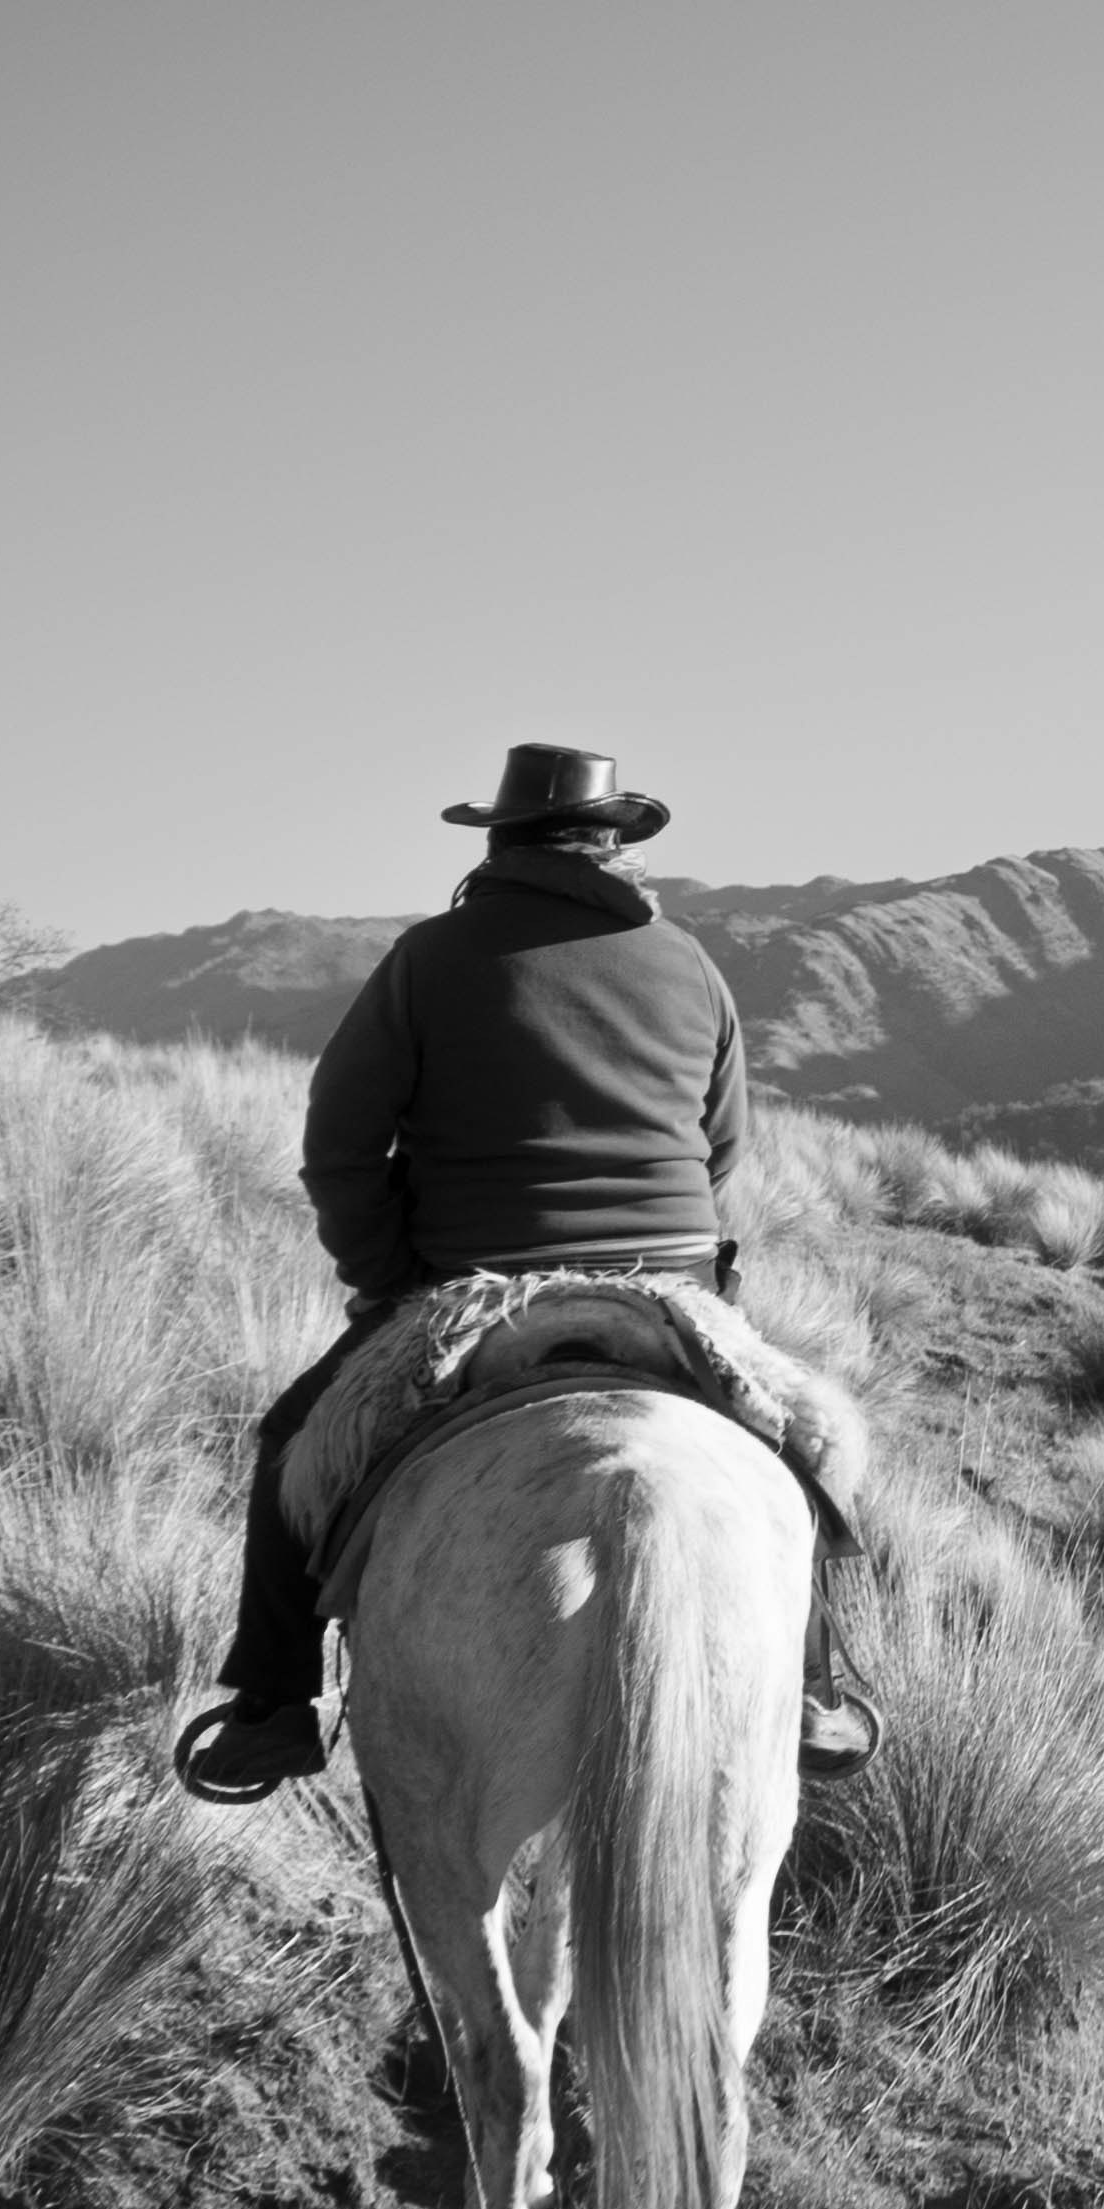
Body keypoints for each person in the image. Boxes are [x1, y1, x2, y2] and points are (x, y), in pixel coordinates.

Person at [175, 743, 875, 1804]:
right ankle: (814, 1689)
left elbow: (341, 1148)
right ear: (615, 845)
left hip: (470, 1289)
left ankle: (274, 1706)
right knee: (814, 1451)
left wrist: (391, 1277)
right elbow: (722, 1149)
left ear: (498, 844)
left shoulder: (431, 958)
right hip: (673, 1287)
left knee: (290, 1450)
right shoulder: (691, 963)